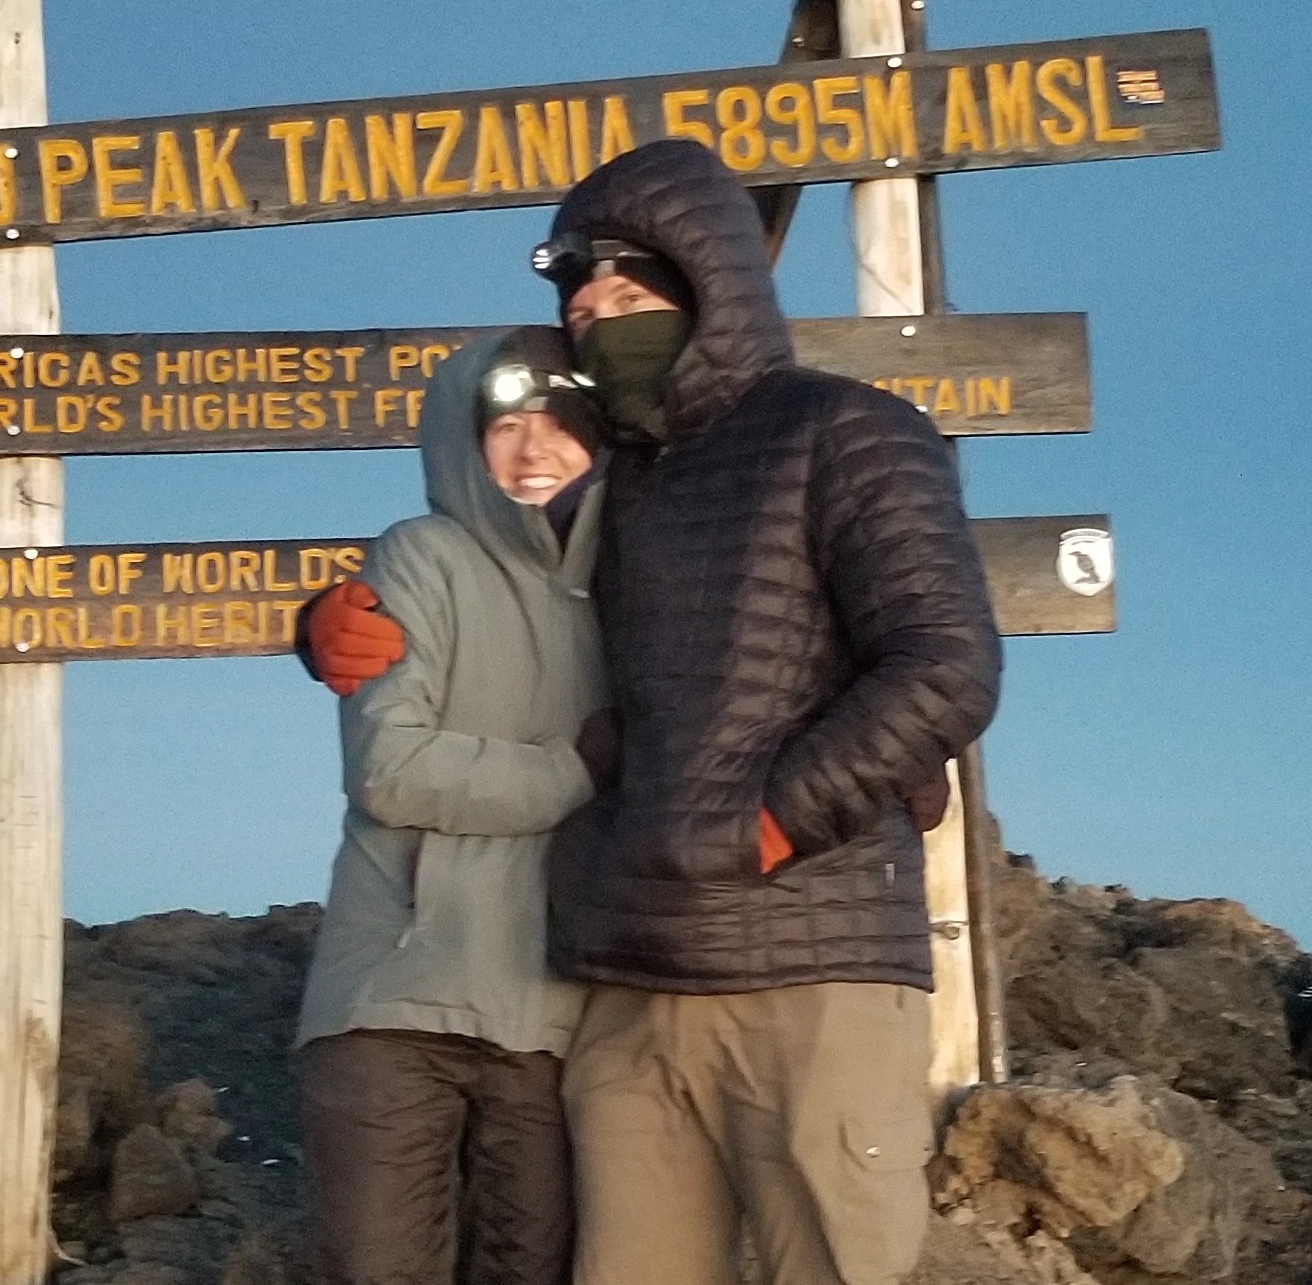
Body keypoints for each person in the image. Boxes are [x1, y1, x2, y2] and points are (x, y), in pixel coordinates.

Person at [305, 139, 1004, 1285]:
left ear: (711, 289)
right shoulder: (619, 485)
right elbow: (513, 574)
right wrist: (317, 624)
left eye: (630, 301)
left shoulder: (843, 428)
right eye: (582, 311)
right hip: (628, 990)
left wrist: (766, 825)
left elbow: (942, 664)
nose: (598, 325)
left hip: (807, 969)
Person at [293, 326, 618, 1285]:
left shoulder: (637, 579)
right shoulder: (420, 557)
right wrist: (576, 773)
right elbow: (391, 767)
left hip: (558, 1022)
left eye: (561, 423)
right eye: (506, 425)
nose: (534, 448)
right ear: (460, 442)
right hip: (395, 1004)